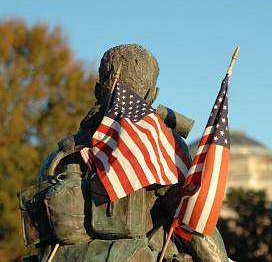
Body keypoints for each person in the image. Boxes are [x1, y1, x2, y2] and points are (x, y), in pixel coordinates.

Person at [20, 44, 229, 262]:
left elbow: (39, 235)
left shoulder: (59, 156)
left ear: (97, 90)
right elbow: (191, 220)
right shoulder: (162, 145)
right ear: (153, 94)